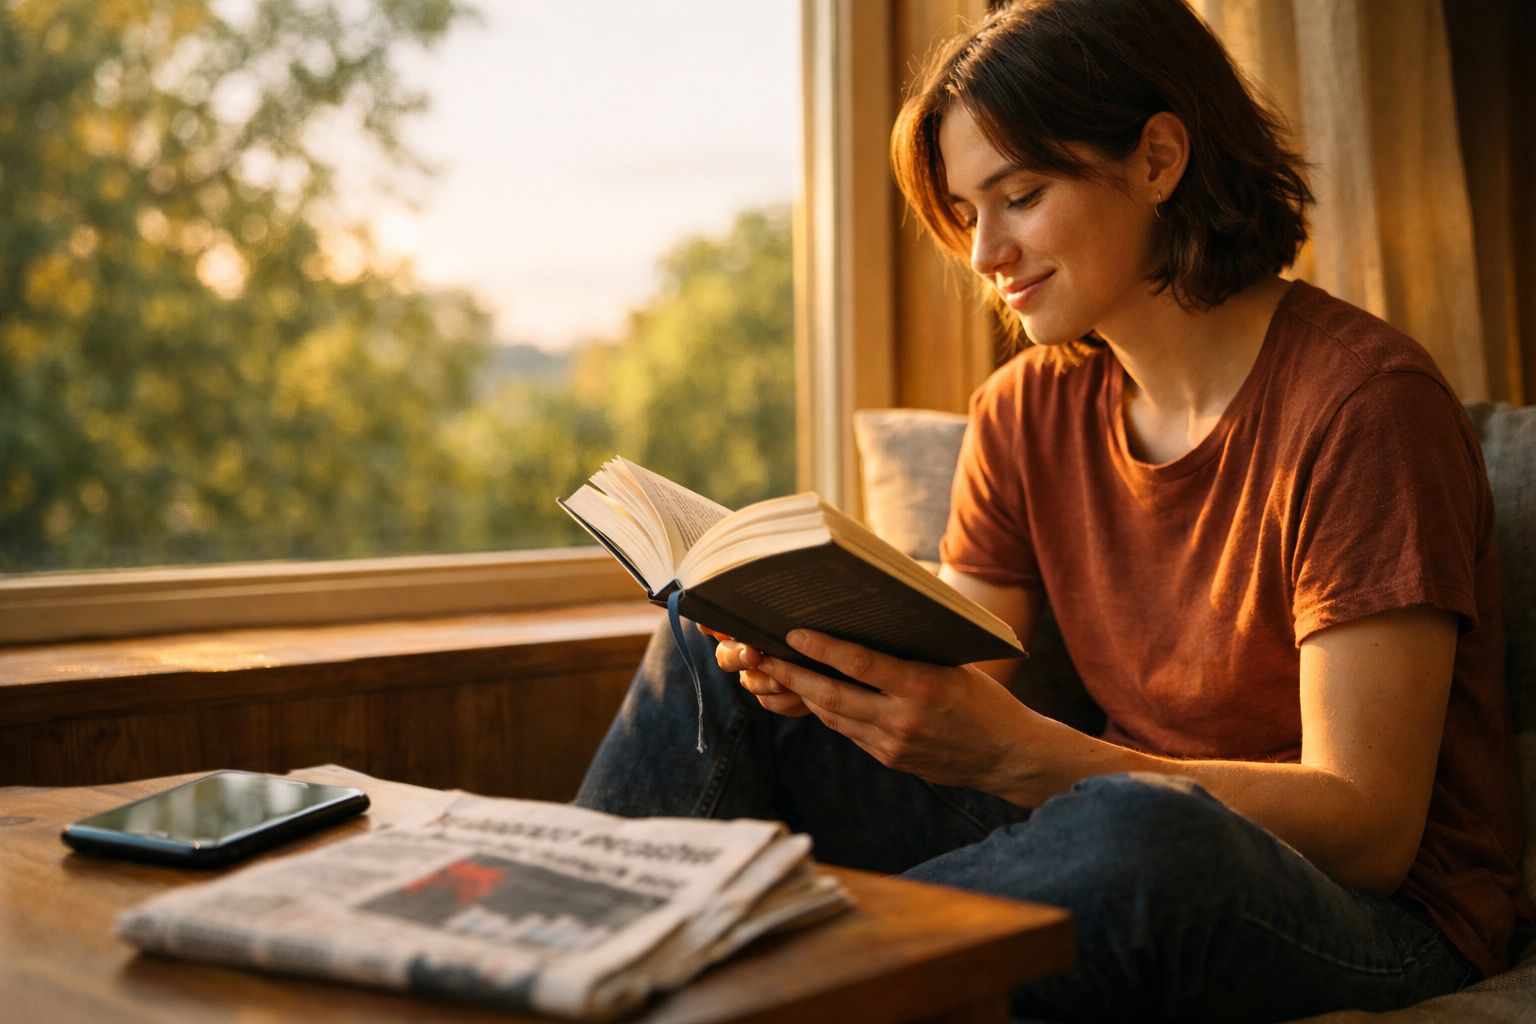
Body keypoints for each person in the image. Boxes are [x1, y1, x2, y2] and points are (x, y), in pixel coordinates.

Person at [576, 0, 1532, 1019]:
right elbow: (963, 666)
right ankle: (566, 954)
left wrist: (1023, 754)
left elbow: (1371, 829)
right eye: (967, 212)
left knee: (1141, 830)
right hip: (1097, 832)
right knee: (703, 642)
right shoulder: (1025, 410)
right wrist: (811, 661)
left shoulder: (1363, 405)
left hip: (1374, 915)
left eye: (1020, 195)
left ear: (1158, 160)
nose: (984, 253)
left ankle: (769, 983)